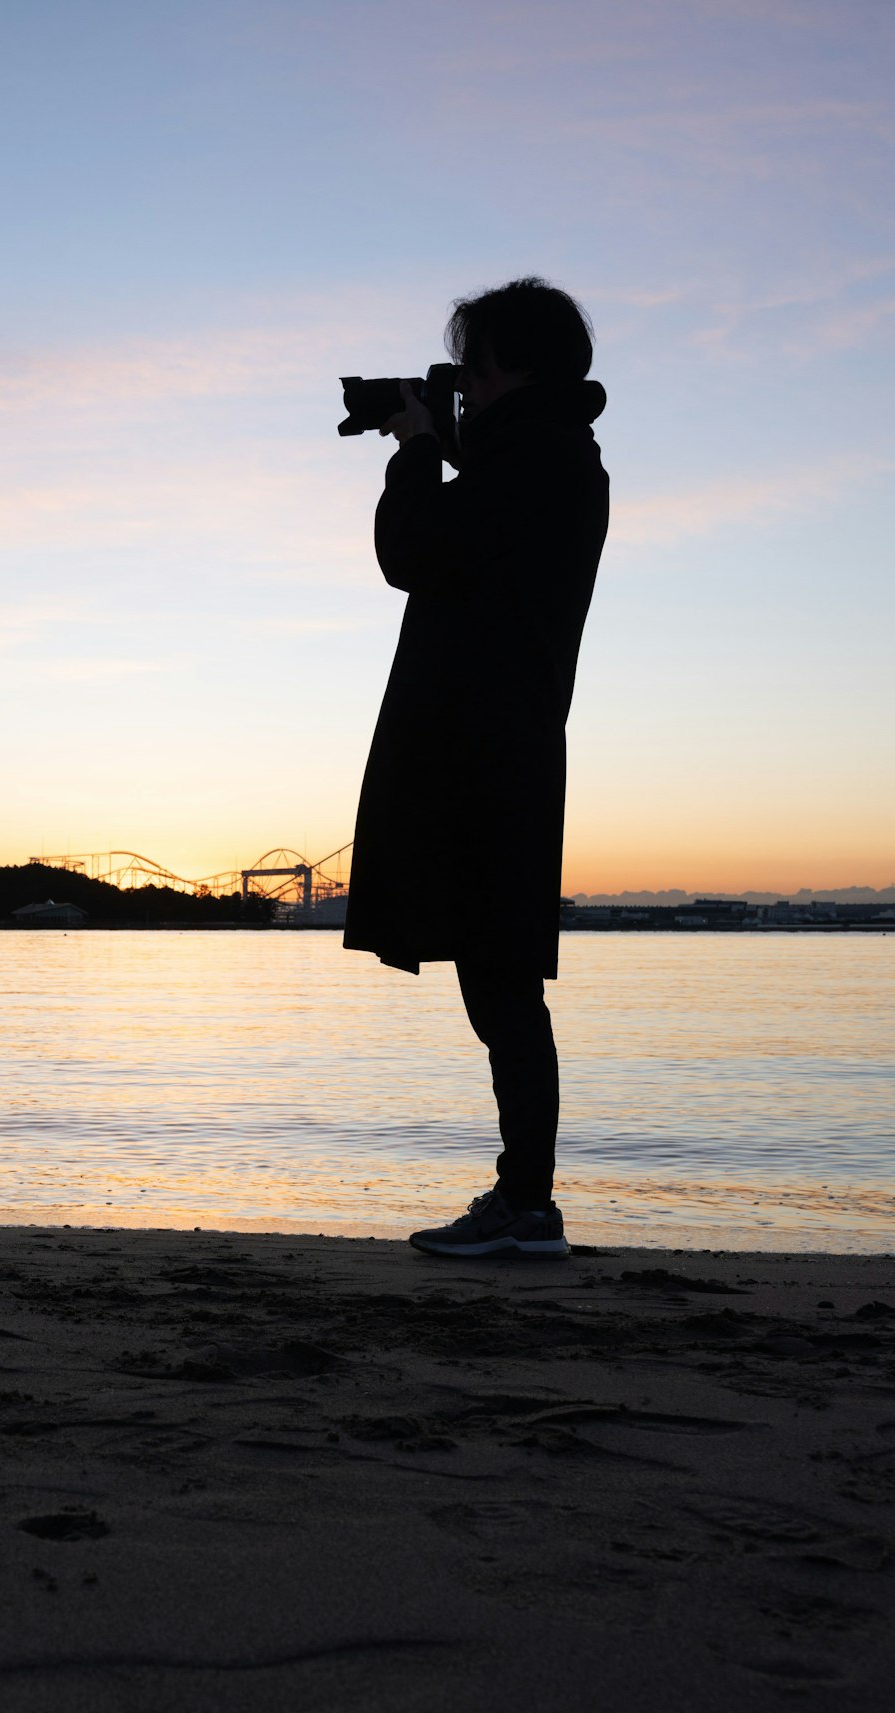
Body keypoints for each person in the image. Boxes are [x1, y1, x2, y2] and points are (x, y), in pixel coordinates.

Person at [343, 277, 609, 1258]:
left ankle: (526, 1203)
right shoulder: (549, 455)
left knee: (501, 982)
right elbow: (478, 535)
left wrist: (418, 448)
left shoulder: (536, 462)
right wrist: (444, 441)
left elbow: (411, 552)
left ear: (520, 365)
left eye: (480, 365)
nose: (471, 383)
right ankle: (521, 1197)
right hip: (501, 742)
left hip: (485, 750)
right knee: (498, 979)